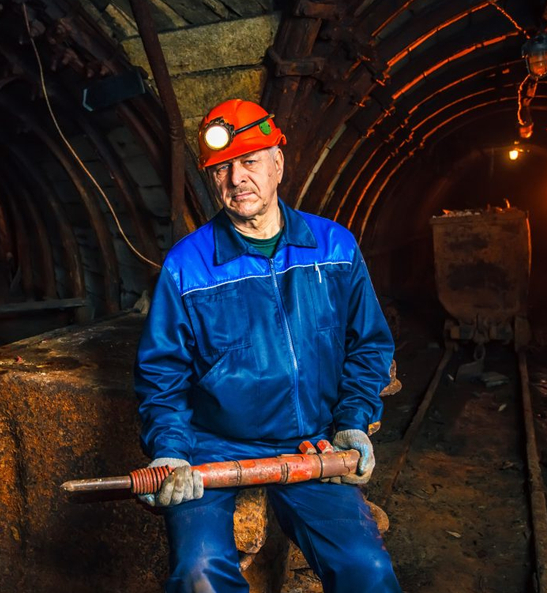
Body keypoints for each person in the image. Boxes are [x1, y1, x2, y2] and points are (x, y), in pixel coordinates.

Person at [133, 98, 401, 593]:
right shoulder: (185, 266)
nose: (237, 180)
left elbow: (369, 346)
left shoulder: (335, 248)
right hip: (212, 447)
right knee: (199, 575)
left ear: (279, 162)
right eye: (221, 168)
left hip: (313, 442)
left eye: (250, 161)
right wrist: (170, 452)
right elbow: (162, 376)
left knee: (368, 571)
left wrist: (353, 422)